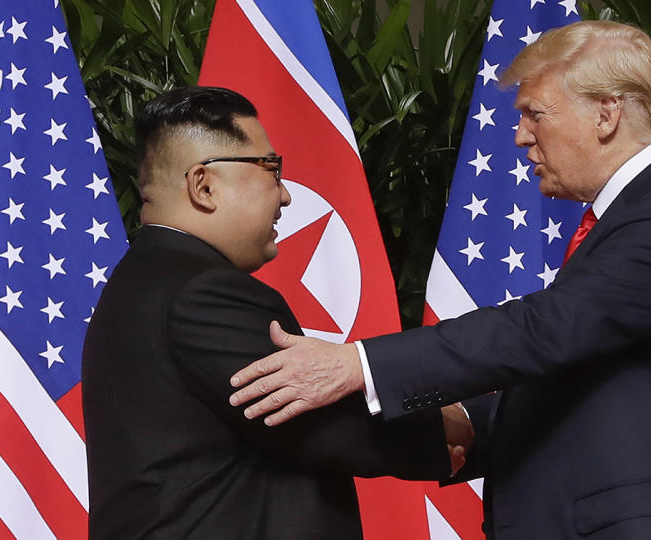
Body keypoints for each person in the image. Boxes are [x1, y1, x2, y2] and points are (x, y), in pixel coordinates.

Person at [228, 21, 651, 540]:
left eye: (535, 114)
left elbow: (544, 329)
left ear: (607, 113)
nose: (519, 137)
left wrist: (356, 364)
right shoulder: (640, 213)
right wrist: (465, 421)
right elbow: (590, 374)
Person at [82, 86, 470, 539]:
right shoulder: (202, 290)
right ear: (203, 185)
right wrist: (462, 426)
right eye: (271, 168)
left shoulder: (142, 280)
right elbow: (317, 420)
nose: (285, 196)